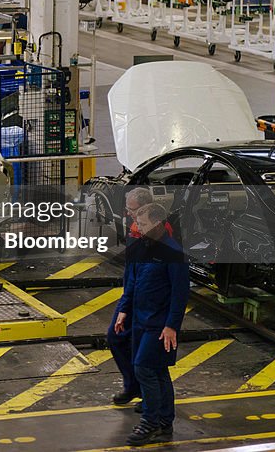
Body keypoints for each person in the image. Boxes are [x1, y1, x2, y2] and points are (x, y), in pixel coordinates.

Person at [115, 202, 189, 446]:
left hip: (159, 325)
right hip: (140, 319)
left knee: (144, 368)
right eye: (137, 222)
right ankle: (165, 422)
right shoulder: (141, 247)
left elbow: (180, 294)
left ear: (158, 224)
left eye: (143, 223)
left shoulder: (173, 253)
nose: (138, 227)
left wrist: (171, 326)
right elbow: (133, 283)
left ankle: (151, 421)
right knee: (157, 371)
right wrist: (124, 311)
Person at [108, 187, 153, 407]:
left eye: (131, 209)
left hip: (144, 299)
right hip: (131, 294)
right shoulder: (136, 229)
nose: (128, 213)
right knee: (116, 338)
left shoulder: (154, 235)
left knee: (142, 351)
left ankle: (149, 398)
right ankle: (133, 386)